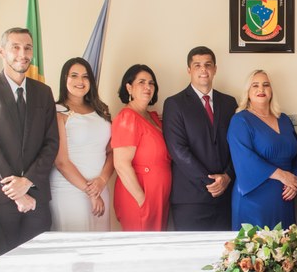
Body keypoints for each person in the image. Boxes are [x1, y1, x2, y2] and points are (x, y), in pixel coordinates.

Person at [0, 27, 59, 254]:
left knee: (39, 264)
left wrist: (27, 182)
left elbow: (51, 143)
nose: (22, 54)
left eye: (28, 48)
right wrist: (17, 192)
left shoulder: (44, 92)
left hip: (36, 198)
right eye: (15, 47)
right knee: (1, 267)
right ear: (2, 51)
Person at [162, 46, 237, 231]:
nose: (203, 69)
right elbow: (178, 150)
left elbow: (237, 146)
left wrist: (227, 177)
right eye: (197, 65)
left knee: (225, 249)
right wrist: (211, 182)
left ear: (215, 69)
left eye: (208, 65)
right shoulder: (174, 104)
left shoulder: (230, 103)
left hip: (225, 197)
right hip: (190, 199)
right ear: (189, 70)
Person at [227, 70, 297, 229]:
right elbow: (244, 159)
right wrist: (283, 176)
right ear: (247, 92)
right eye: (255, 85)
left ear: (271, 90)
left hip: (285, 198)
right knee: (256, 244)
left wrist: (294, 180)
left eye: (266, 85)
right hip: (254, 200)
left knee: (285, 243)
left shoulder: (284, 119)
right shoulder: (240, 120)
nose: (261, 89)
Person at [49, 57, 113, 231]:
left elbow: (111, 152)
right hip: (69, 191)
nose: (80, 81)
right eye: (74, 75)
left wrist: (101, 181)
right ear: (65, 79)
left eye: (85, 76)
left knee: (100, 242)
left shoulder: (101, 110)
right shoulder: (57, 111)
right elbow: (61, 162)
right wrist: (90, 192)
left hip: (100, 188)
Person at [111, 64, 171, 231]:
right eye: (141, 82)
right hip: (139, 196)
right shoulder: (127, 118)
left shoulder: (153, 117)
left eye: (151, 83)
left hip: (158, 196)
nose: (148, 87)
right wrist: (142, 200)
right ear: (129, 87)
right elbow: (121, 164)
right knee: (141, 244)